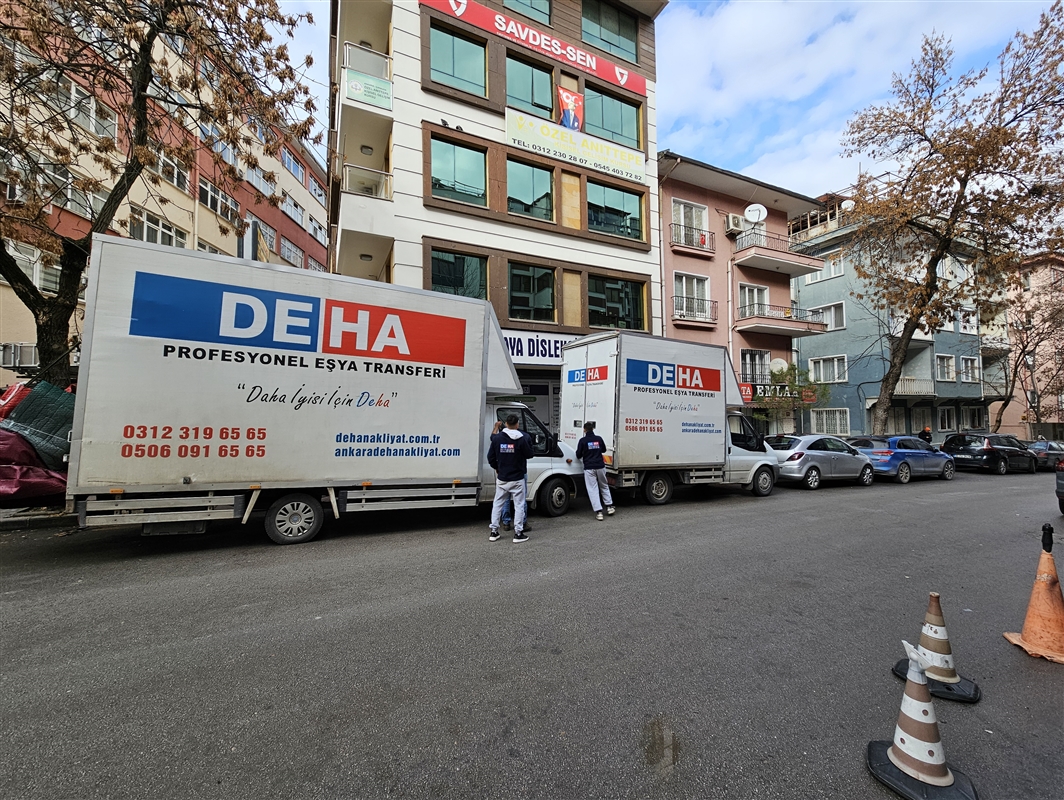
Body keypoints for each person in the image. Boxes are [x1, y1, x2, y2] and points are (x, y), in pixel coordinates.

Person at [487, 415, 534, 542]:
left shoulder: (497, 438)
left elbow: (490, 457)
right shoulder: (522, 438)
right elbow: (530, 454)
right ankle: (518, 533)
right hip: (518, 478)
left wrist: (497, 467)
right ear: (517, 424)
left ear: (506, 424)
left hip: (502, 477)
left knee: (498, 504)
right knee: (519, 505)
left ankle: (494, 532)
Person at [576, 421, 615, 521]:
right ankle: (609, 507)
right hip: (600, 466)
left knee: (593, 489)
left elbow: (578, 454)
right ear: (593, 429)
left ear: (584, 430)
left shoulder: (582, 441)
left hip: (589, 467)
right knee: (604, 485)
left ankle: (599, 512)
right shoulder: (599, 439)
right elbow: (603, 450)